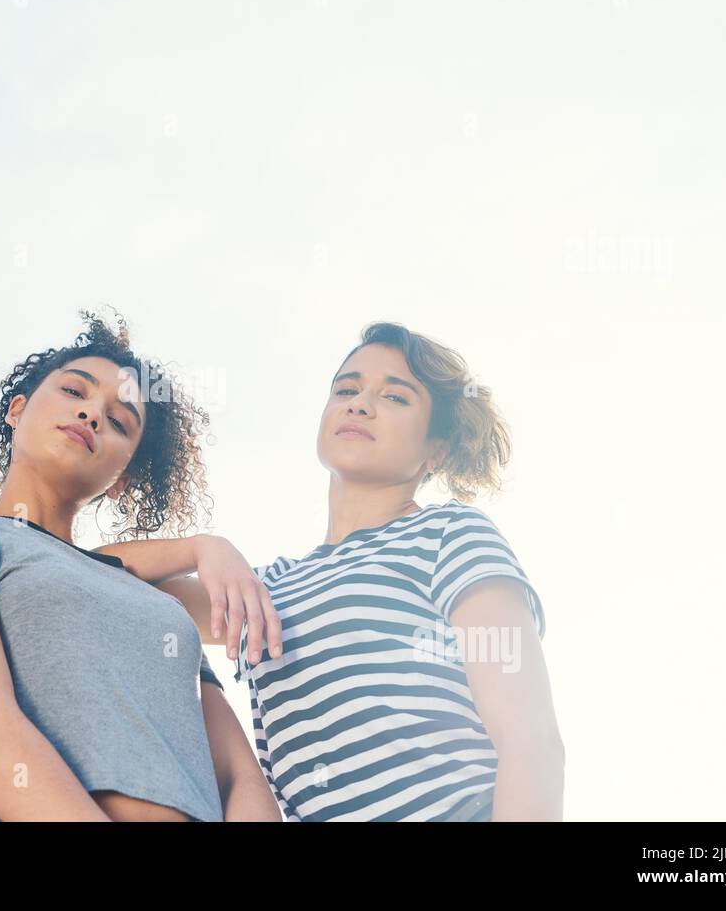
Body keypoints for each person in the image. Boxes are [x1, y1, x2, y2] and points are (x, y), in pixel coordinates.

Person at [101, 322, 565, 820]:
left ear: (437, 451)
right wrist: (201, 548)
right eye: (347, 389)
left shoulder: (451, 534)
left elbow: (530, 742)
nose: (359, 403)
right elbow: (99, 574)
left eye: (396, 397)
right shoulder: (267, 589)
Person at [0, 310, 278, 821]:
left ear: (121, 479)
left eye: (118, 422)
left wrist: (208, 545)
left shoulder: (157, 606)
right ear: (16, 409)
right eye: (75, 392)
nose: (93, 415)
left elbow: (240, 776)